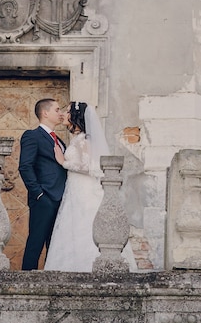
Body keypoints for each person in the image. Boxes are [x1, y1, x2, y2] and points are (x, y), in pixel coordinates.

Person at [44, 101, 136, 272]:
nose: (64, 114)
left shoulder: (83, 140)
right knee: (74, 226)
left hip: (83, 190)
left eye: (68, 111)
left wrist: (63, 162)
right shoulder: (78, 139)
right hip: (75, 189)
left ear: (76, 117)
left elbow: (89, 168)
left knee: (84, 225)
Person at [18, 98, 68, 270]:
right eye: (57, 109)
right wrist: (38, 193)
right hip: (44, 198)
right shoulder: (32, 136)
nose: (60, 113)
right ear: (45, 113)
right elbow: (25, 166)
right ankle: (25, 282)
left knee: (55, 246)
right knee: (36, 242)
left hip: (61, 199)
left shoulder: (60, 141)